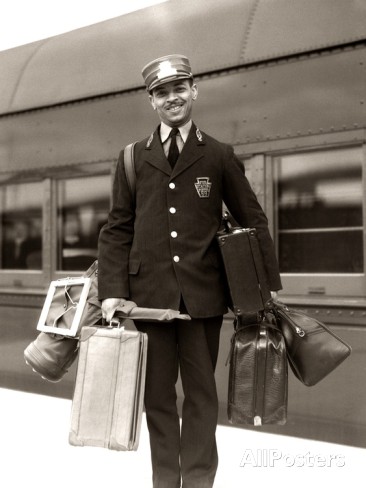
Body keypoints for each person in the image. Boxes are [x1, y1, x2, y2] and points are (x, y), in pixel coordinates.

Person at [98, 54, 282, 488]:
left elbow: (254, 222)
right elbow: (116, 229)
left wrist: (264, 288)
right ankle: (165, 481)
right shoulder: (131, 158)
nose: (172, 98)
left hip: (203, 300)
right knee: (157, 399)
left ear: (194, 91)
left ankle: (198, 481)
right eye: (162, 92)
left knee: (202, 397)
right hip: (147, 301)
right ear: (151, 102)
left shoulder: (218, 154)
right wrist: (111, 292)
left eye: (179, 88)